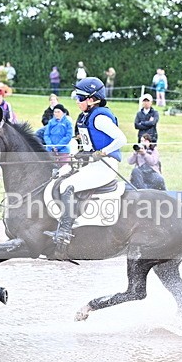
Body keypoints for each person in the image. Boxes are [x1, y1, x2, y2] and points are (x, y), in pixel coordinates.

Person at [45, 77, 127, 251]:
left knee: (67, 185)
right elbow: (81, 141)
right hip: (92, 164)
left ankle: (65, 231)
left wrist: (103, 151)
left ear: (92, 99)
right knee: (60, 177)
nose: (76, 101)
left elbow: (122, 139)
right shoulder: (85, 117)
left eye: (80, 98)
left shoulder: (100, 118)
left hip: (106, 165)